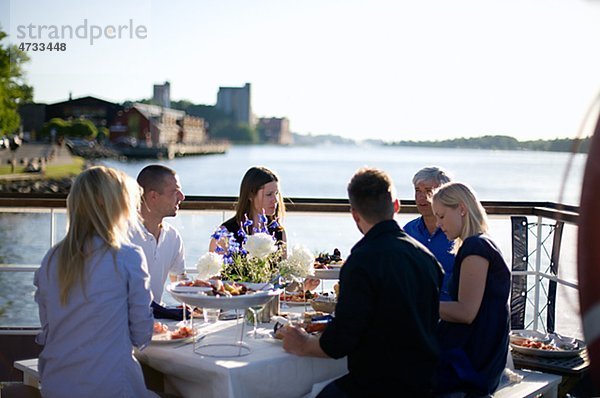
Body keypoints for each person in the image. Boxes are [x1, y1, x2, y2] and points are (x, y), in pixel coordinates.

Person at [280, 167, 443, 397]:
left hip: (377, 387)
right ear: (396, 206)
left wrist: (303, 343)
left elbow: (340, 342)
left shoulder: (360, 262)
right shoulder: (427, 259)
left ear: (355, 215)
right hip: (425, 384)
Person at [34, 166, 156, 397]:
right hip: (111, 387)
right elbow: (142, 336)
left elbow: (49, 329)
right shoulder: (127, 256)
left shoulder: (51, 259)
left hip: (56, 385)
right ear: (111, 205)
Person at [432, 182, 510, 397]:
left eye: (441, 216)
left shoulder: (476, 247)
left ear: (462, 209)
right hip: (482, 354)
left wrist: (421, 303)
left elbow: (466, 312)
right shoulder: (482, 243)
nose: (439, 224)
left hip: (471, 363)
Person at [131, 165, 186, 311]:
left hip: (156, 323)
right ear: (153, 196)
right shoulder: (122, 236)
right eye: (175, 192)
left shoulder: (173, 236)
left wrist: (206, 292)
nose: (182, 197)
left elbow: (179, 281)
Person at [404, 166, 454, 301]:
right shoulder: (408, 231)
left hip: (453, 314)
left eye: (429, 191)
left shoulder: (460, 234)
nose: (422, 197)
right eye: (417, 191)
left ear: (446, 194)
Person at [209, 166, 286, 251]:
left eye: (276, 194)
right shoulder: (224, 234)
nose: (275, 200)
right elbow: (214, 263)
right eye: (269, 194)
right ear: (250, 195)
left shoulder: (279, 233)